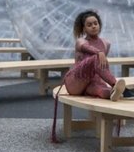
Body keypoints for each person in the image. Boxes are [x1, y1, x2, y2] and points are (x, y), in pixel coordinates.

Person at [51, 9, 124, 142]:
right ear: (84, 28)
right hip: (75, 82)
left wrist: (101, 83)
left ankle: (114, 90)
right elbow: (88, 50)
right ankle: (115, 84)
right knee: (96, 58)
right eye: (89, 25)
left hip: (90, 82)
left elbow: (101, 67)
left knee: (104, 92)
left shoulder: (106, 44)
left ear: (99, 24)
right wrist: (99, 53)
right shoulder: (80, 42)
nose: (93, 26)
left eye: (95, 23)